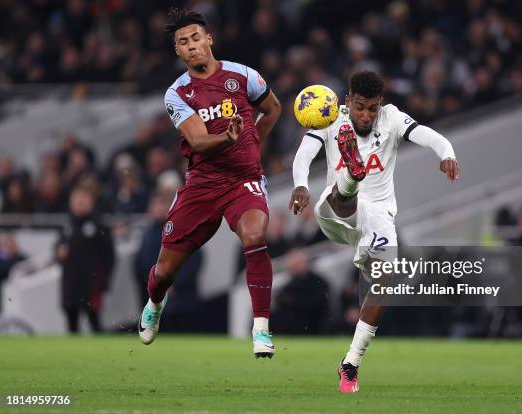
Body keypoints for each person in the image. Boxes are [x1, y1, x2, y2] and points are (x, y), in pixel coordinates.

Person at [289, 71, 459, 392]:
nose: (366, 115)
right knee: (344, 196)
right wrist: (300, 185)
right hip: (334, 212)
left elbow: (432, 137)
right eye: (360, 107)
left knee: (384, 281)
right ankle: (353, 176)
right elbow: (305, 155)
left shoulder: (392, 118)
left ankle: (350, 364)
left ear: (381, 104)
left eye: (373, 109)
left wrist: (447, 155)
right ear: (348, 101)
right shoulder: (329, 118)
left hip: (379, 217)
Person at [138, 8, 281, 359]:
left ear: (209, 39)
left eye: (196, 38)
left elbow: (273, 108)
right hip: (201, 184)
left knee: (254, 236)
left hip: (242, 180)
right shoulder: (177, 94)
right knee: (165, 271)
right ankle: (156, 302)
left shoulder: (243, 75)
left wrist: (252, 144)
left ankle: (261, 328)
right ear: (177, 51)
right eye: (183, 42)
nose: (191, 46)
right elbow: (200, 141)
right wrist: (230, 138)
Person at [57, 184, 115, 333]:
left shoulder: (98, 225)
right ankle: (74, 354)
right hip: (70, 282)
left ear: (91, 201)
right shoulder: (67, 225)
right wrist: (59, 252)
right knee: (72, 322)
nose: (79, 201)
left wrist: (105, 280)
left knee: (94, 321)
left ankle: (101, 353)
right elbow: (59, 248)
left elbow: (109, 256)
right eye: (76, 198)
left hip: (91, 283)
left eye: (83, 197)